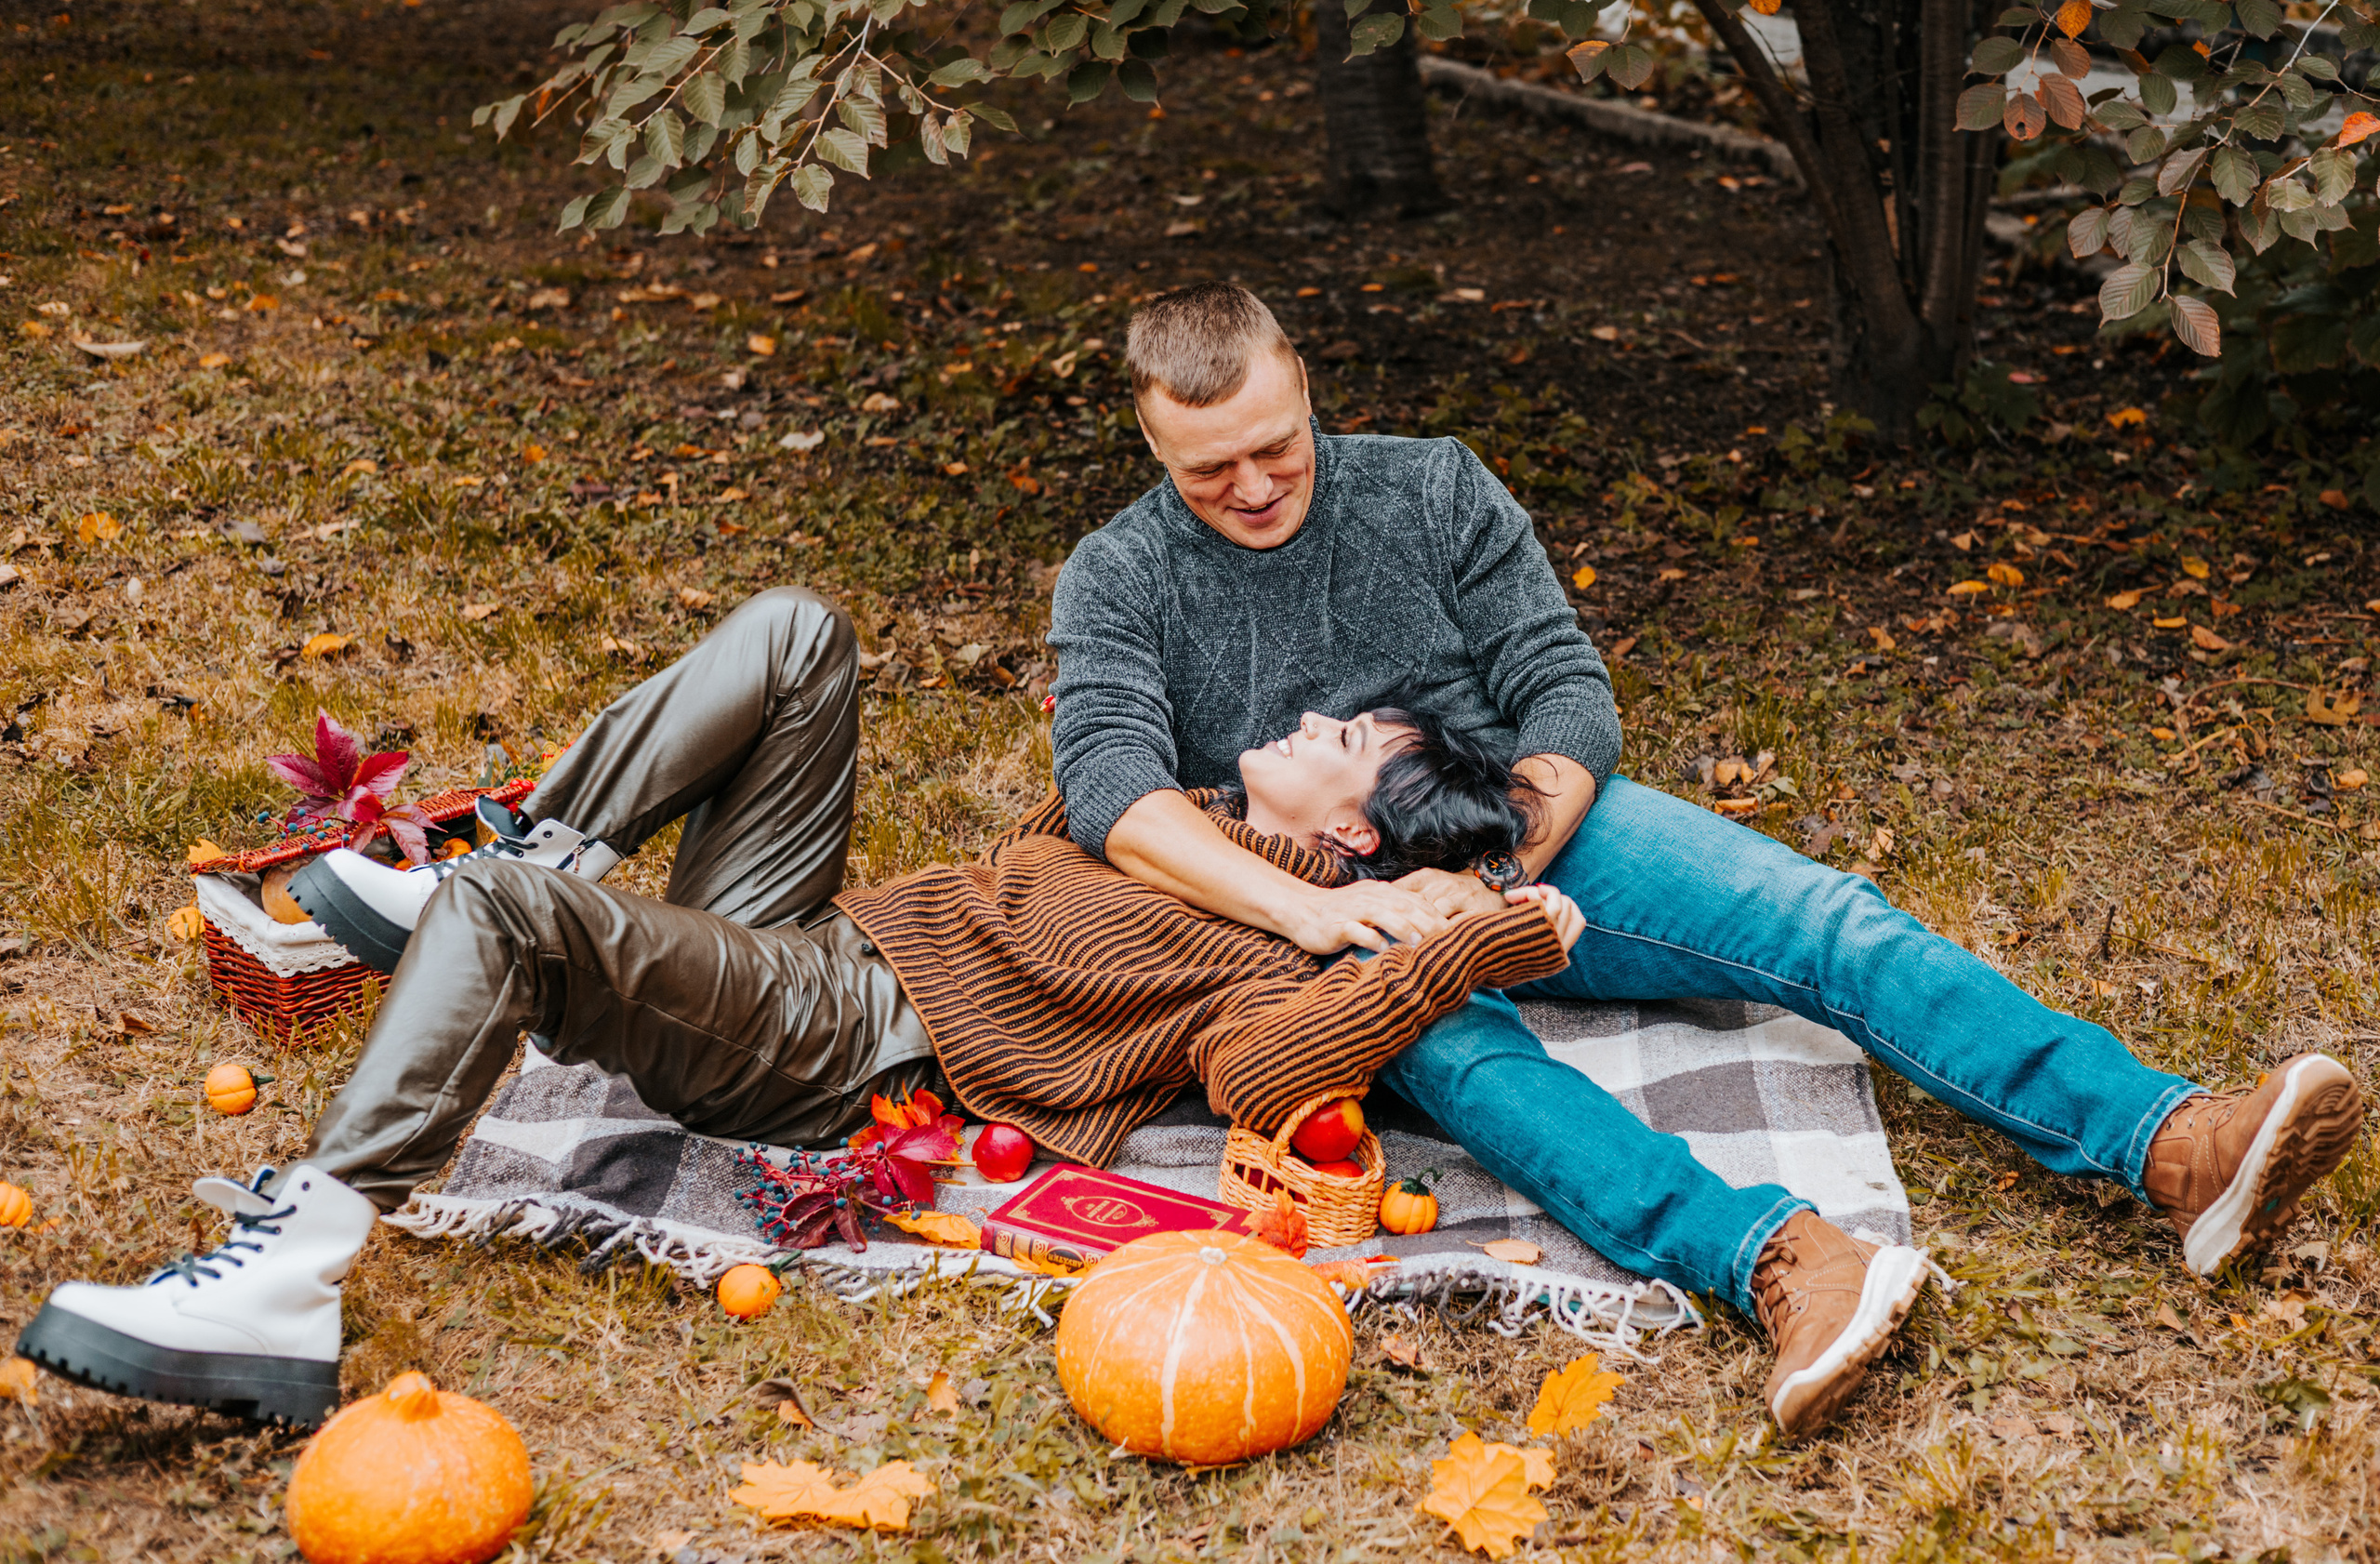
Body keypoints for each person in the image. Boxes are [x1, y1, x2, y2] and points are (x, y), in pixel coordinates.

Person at [1045, 281, 2369, 1439]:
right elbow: (1112, 790)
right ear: (1153, 442)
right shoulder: (1119, 573)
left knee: (1820, 919)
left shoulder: (1431, 483)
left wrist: (1500, 866)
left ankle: (2171, 1140)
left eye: (1275, 447)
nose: (1256, 485)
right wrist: (1336, 915)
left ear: (1306, 389)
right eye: (1209, 470)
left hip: (1514, 819)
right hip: (1327, 903)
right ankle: (1783, 1260)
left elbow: (1564, 689)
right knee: (1479, 1071)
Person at [15, 588, 1599, 1429]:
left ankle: (295, 1263)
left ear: (1358, 833)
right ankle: (542, 857)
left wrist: (1449, 948)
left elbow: (1269, 1082)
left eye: (1345, 735)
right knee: (796, 633)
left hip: (852, 1045)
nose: (1311, 712)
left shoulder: (1299, 951)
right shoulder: (1196, 826)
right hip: (815, 948)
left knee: (504, 920)